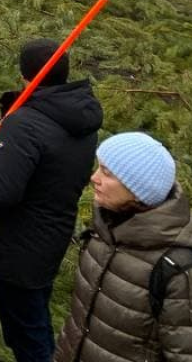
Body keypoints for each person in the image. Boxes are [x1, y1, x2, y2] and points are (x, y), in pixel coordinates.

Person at [0, 40, 104, 362]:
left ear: (24, 74)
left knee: (28, 333)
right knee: (33, 320)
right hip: (50, 236)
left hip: (19, 244)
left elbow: (0, 192)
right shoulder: (78, 117)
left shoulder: (25, 123)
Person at [54, 131, 190, 362]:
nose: (94, 178)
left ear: (138, 190)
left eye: (107, 173)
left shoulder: (175, 268)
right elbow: (79, 320)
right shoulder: (102, 233)